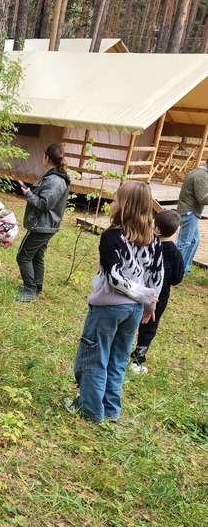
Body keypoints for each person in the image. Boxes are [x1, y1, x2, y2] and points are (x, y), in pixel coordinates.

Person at [69, 181, 164, 423]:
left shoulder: (112, 236)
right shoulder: (153, 240)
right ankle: (111, 409)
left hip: (109, 308)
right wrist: (148, 304)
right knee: (119, 358)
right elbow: (157, 278)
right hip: (133, 312)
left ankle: (90, 409)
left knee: (95, 356)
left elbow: (113, 277)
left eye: (115, 200)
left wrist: (142, 298)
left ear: (126, 207)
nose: (112, 204)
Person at [129, 208, 184, 373]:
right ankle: (137, 361)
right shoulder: (175, 253)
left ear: (157, 228)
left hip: (136, 290)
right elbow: (177, 278)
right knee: (149, 326)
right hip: (158, 297)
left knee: (130, 322)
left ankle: (122, 351)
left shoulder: (145, 244)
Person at [15, 144, 71, 302]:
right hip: (47, 225)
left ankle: (30, 289)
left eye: (43, 156)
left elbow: (44, 204)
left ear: (47, 158)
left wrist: (28, 194)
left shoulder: (55, 180)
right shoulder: (54, 176)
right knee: (37, 256)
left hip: (42, 225)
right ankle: (37, 287)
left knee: (23, 256)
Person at [175, 162, 208, 274]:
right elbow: (202, 198)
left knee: (194, 241)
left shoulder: (200, 173)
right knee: (184, 243)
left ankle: (184, 269)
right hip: (190, 212)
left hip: (190, 212)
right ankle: (172, 269)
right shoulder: (201, 175)